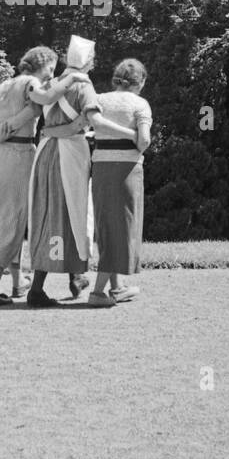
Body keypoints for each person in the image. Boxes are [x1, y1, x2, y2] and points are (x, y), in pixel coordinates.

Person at [25, 36, 137, 307]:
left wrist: (51, 130)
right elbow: (90, 121)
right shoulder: (84, 86)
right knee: (74, 212)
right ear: (89, 61)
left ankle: (51, 282)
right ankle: (74, 279)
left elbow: (41, 116)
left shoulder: (50, 83)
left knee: (48, 213)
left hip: (45, 151)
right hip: (70, 153)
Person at [0, 47, 83, 308]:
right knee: (15, 220)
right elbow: (38, 107)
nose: (51, 76)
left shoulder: (2, 87)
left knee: (7, 220)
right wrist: (71, 79)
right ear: (41, 64)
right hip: (21, 154)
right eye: (51, 70)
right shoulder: (32, 83)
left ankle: (16, 282)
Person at [88, 58, 152, 307]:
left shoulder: (100, 99)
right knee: (122, 226)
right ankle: (97, 292)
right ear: (141, 81)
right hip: (128, 169)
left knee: (108, 224)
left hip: (101, 168)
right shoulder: (140, 104)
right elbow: (144, 140)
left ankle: (117, 288)